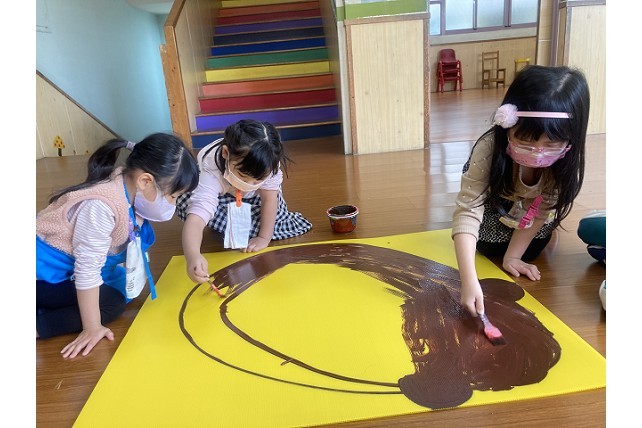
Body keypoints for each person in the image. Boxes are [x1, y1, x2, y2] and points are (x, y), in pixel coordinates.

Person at [36, 133, 200, 358]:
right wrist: (92, 327)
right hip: (42, 275)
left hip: (64, 271)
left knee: (122, 285)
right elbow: (86, 270)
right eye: (173, 196)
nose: (173, 203)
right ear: (145, 181)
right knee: (111, 304)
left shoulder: (129, 190)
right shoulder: (101, 207)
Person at [451, 65, 590, 317]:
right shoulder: (490, 147)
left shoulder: (565, 162)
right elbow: (469, 208)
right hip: (498, 201)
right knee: (487, 245)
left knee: (533, 249)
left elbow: (543, 209)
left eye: (551, 144)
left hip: (530, 211)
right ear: (507, 124)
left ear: (572, 138)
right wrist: (468, 280)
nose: (537, 152)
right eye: (525, 141)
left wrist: (513, 258)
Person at [177, 119, 312, 285]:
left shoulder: (269, 162)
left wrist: (263, 238)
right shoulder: (210, 169)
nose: (250, 184)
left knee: (275, 222)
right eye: (242, 176)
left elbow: (269, 200)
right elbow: (197, 218)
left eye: (258, 180)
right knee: (186, 200)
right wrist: (193, 256)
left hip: (255, 199)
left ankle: (244, 226)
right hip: (224, 197)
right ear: (225, 153)